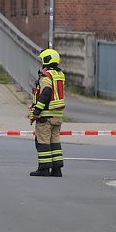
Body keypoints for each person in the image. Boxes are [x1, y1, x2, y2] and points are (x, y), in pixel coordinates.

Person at [29, 48, 66, 177]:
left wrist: (37, 111)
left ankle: (44, 169)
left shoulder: (46, 77)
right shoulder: (59, 75)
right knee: (54, 141)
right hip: (57, 116)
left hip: (46, 116)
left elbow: (45, 94)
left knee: (42, 142)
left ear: (46, 60)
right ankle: (57, 170)